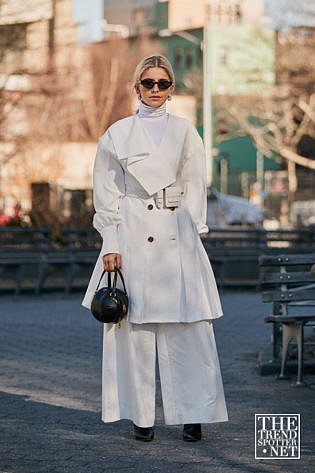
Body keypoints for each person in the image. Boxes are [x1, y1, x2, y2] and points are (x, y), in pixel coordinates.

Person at [82, 54, 228, 442]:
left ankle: (194, 413)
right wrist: (110, 243)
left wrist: (193, 228)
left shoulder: (186, 132)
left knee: (189, 330)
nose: (156, 90)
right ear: (137, 87)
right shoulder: (117, 134)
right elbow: (106, 193)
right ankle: (140, 416)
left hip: (177, 237)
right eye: (149, 83)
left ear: (172, 88)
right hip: (131, 235)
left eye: (163, 83)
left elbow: (196, 183)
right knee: (135, 330)